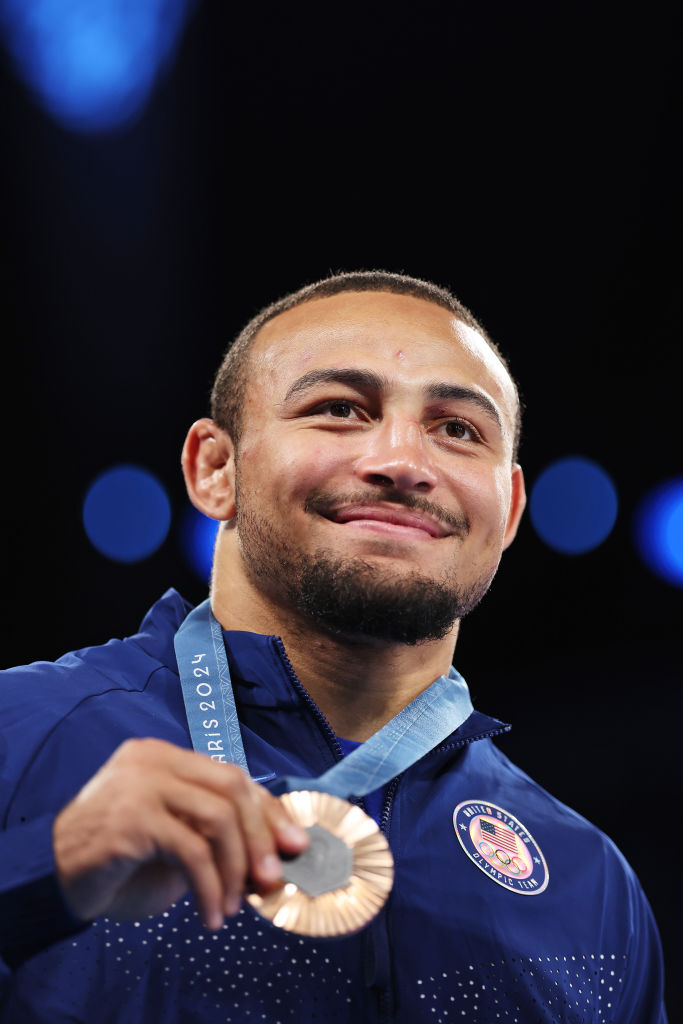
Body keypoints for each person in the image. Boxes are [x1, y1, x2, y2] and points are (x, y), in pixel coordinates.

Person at [0, 271, 667, 1023]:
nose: (402, 461)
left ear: (508, 511)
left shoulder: (588, 880)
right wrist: (39, 873)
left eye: (456, 429)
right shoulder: (16, 733)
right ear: (215, 469)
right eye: (339, 410)